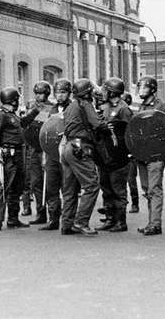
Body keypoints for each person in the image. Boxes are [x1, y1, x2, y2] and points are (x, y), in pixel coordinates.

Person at [60, 78, 105, 236]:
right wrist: (106, 125)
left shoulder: (70, 106)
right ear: (87, 93)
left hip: (68, 147)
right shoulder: (85, 104)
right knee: (92, 185)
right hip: (80, 148)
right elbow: (97, 124)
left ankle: (67, 224)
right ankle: (81, 222)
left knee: (70, 189)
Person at [131, 77, 165, 236]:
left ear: (153, 89)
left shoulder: (162, 105)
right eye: (139, 87)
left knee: (154, 189)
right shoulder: (141, 106)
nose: (141, 91)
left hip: (155, 153)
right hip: (142, 153)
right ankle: (151, 222)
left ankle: (155, 224)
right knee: (147, 189)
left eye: (144, 88)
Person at [0, 87, 30, 232]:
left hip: (18, 154)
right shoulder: (1, 115)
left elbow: (24, 122)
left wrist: (36, 111)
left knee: (16, 188)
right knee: (2, 188)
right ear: (13, 100)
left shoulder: (13, 116)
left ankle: (13, 218)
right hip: (8, 156)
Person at [95, 77, 132, 233]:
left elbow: (129, 133)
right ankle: (110, 218)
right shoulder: (105, 107)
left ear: (112, 92)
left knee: (118, 190)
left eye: (106, 90)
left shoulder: (124, 110)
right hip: (105, 155)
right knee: (107, 188)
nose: (103, 92)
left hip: (119, 157)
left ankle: (121, 221)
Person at [38, 78, 71, 231]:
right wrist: (44, 155)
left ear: (69, 93)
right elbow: (42, 131)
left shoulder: (73, 108)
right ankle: (53, 219)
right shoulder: (49, 110)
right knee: (51, 187)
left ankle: (68, 221)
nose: (60, 95)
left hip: (67, 153)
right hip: (51, 154)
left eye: (63, 92)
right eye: (57, 92)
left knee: (68, 188)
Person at [20, 81, 54, 225]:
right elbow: (23, 123)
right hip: (33, 148)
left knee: (49, 182)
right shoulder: (32, 107)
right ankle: (41, 212)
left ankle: (53, 214)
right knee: (35, 182)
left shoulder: (51, 108)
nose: (39, 96)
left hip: (46, 149)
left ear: (46, 94)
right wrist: (34, 111)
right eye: (37, 94)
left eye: (41, 94)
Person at [121, 91, 140, 214]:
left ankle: (135, 203)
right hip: (122, 151)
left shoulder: (130, 115)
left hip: (130, 152)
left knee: (131, 180)